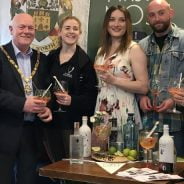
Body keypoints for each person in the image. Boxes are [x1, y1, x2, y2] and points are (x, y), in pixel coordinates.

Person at [0, 13, 52, 184]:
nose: (26, 31)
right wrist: (23, 104)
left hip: (32, 132)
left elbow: (46, 91)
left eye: (30, 28)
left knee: (28, 180)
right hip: (4, 131)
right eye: (21, 27)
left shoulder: (42, 59)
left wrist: (46, 108)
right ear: (11, 29)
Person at [46, 16, 97, 161]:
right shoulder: (51, 57)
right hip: (50, 123)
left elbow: (91, 98)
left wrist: (72, 100)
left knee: (73, 166)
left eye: (75, 29)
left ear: (80, 33)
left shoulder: (85, 62)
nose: (71, 32)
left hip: (73, 125)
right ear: (59, 32)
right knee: (53, 167)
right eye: (67, 28)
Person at [94, 5, 148, 136]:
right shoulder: (101, 51)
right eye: (112, 19)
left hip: (125, 113)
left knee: (124, 155)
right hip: (102, 112)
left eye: (121, 20)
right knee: (99, 154)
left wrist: (114, 80)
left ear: (127, 24)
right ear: (107, 23)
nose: (116, 24)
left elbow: (143, 87)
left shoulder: (133, 49)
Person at [139, 0, 184, 156]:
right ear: (148, 18)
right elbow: (138, 78)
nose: (157, 18)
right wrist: (141, 97)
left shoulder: (183, 40)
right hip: (148, 124)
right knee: (146, 171)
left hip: (176, 124)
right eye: (152, 15)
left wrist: (174, 100)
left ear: (171, 13)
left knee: (176, 174)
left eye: (161, 13)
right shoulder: (142, 45)